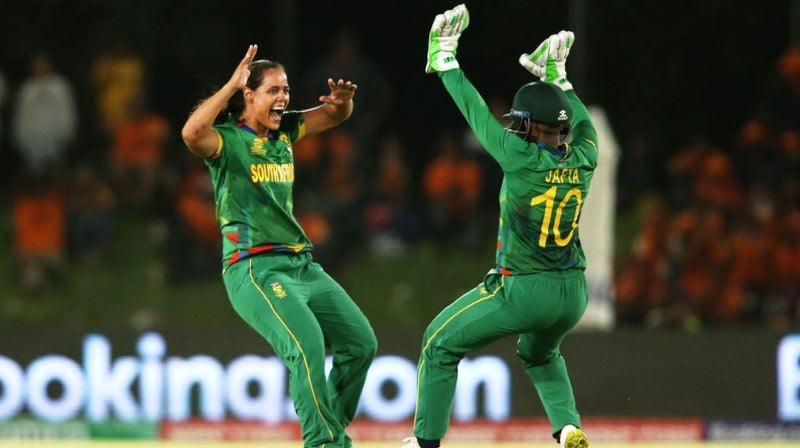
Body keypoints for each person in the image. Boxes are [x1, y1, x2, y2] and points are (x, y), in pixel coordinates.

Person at [404, 5, 597, 448]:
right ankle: (568, 427)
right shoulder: (586, 156)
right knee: (539, 353)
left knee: (437, 344)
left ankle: (424, 443)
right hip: (573, 293)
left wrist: (446, 59)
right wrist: (559, 76)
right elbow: (581, 121)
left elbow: (475, 112)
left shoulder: (519, 156)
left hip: (524, 290)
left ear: (527, 127)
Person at [181, 44, 377, 448]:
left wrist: (343, 103)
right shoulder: (227, 141)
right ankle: (324, 443)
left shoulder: (285, 130)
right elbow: (191, 134)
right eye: (273, 90)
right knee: (305, 346)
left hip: (302, 266)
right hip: (254, 268)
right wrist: (229, 85)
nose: (283, 98)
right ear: (248, 95)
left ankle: (330, 431)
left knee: (361, 343)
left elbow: (333, 116)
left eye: (285, 90)